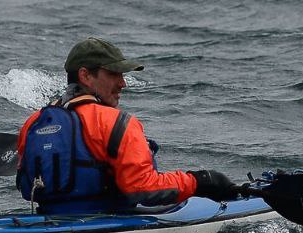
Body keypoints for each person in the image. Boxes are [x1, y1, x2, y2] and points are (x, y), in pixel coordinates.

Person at [16, 36, 240, 214]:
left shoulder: (33, 122)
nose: (122, 83)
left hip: (47, 223)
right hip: (108, 227)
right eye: (114, 74)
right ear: (85, 75)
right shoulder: (118, 123)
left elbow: (24, 186)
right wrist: (199, 181)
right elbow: (143, 188)